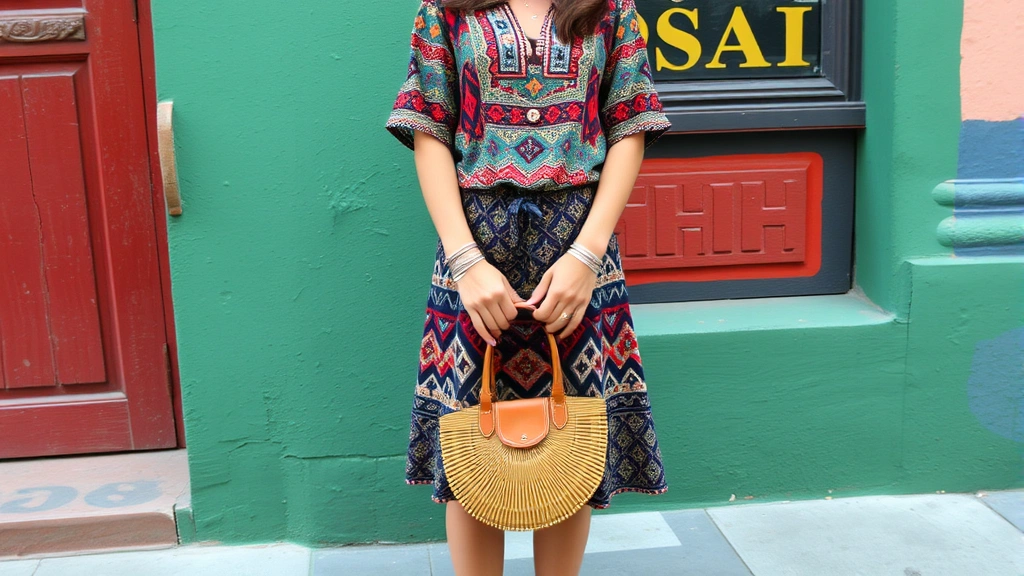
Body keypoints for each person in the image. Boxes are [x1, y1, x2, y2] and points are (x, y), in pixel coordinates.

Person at [386, 0, 669, 573]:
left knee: (573, 434)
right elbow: (428, 127)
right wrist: (464, 261)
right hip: (475, 249)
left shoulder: (611, 8)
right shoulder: (444, 9)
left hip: (578, 250)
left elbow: (629, 125)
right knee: (471, 437)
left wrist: (587, 255)